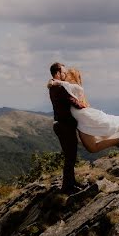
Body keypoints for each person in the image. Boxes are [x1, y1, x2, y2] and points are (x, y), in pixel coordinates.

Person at [48, 67, 119, 153]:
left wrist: (54, 82)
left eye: (67, 74)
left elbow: (65, 85)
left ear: (72, 77)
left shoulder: (74, 87)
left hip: (85, 118)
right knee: (92, 148)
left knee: (103, 133)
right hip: (81, 122)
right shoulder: (68, 88)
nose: (65, 75)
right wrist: (53, 81)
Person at [47, 62, 86, 193]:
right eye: (63, 72)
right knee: (70, 157)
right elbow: (73, 101)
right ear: (57, 73)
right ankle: (67, 187)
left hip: (62, 125)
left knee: (70, 156)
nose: (65, 74)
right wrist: (84, 107)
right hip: (65, 126)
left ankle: (71, 183)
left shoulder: (55, 86)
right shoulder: (59, 88)